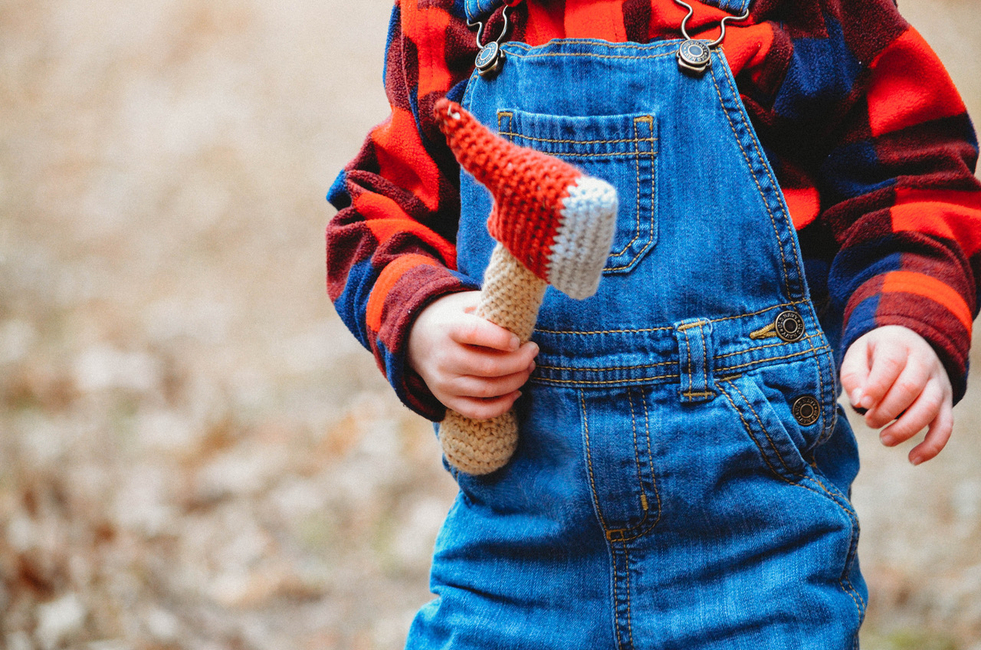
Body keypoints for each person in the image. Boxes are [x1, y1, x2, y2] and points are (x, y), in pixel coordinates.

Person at [326, 0, 981, 647]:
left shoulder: (797, 15)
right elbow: (378, 209)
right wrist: (423, 318)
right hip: (515, 553)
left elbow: (912, 175)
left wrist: (905, 315)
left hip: (755, 546)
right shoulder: (453, 19)